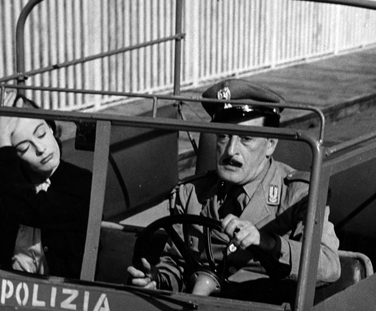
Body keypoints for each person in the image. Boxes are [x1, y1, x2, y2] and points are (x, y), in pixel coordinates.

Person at [127, 78, 341, 297]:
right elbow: (177, 263)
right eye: (223, 136)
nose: (230, 151)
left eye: (246, 139)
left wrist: (266, 242)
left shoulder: (299, 195)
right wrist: (158, 280)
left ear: (270, 144)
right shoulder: (191, 194)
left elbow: (328, 266)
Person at [0, 91, 92, 279]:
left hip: (64, 301)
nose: (41, 148)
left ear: (51, 127)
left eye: (41, 133)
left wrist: (3, 141)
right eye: (24, 147)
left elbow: (32, 209)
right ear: (10, 157)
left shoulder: (81, 181)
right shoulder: (6, 192)